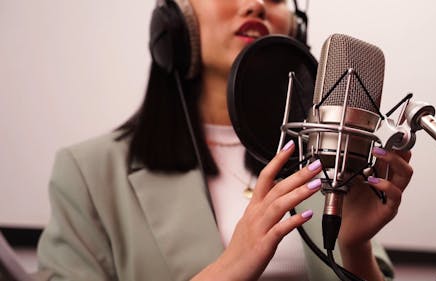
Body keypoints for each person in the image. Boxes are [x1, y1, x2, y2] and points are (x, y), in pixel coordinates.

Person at [36, 0, 413, 280]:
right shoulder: (88, 172)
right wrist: (231, 267)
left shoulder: (328, 156)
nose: (256, 5)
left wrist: (354, 247)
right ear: (175, 23)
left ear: (295, 33)